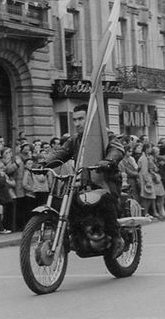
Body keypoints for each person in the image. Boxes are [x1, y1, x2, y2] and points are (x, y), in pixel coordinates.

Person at [42, 103, 125, 258]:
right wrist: (43, 162)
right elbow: (61, 153)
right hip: (83, 183)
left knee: (104, 198)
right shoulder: (75, 140)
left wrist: (108, 161)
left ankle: (116, 237)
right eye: (75, 120)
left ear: (90, 119)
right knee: (68, 199)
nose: (77, 123)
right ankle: (75, 236)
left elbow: (117, 149)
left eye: (81, 119)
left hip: (106, 181)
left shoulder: (105, 135)